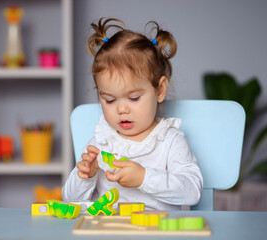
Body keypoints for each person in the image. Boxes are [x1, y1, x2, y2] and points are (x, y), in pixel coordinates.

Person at [63, 18, 203, 210]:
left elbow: (192, 191)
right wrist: (86, 176)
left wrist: (144, 178)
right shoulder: (101, 142)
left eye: (134, 98)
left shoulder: (169, 141)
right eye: (109, 100)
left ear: (160, 90)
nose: (121, 109)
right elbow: (70, 200)